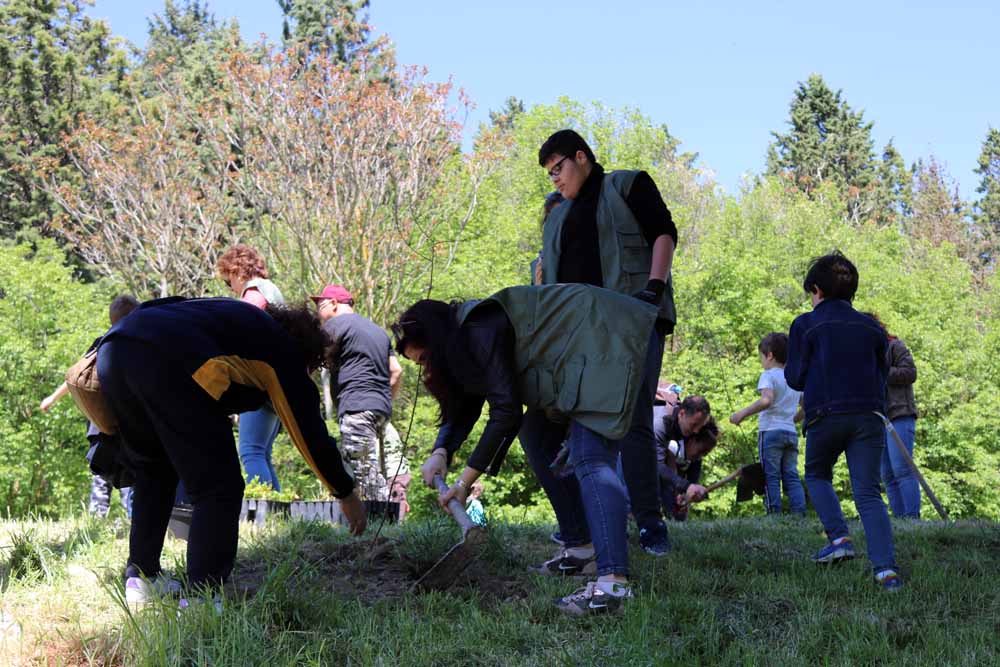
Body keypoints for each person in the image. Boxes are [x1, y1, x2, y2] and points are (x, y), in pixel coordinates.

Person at [393, 283, 658, 616]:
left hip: (606, 338)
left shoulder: (479, 329)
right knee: (536, 433)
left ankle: (614, 585)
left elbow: (505, 413)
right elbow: (468, 403)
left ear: (438, 340)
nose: (427, 369)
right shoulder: (464, 339)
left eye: (426, 358)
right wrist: (441, 450)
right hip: (582, 349)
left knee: (590, 454)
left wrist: (463, 483)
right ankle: (582, 549)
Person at [96, 297, 366, 607]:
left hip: (115, 349)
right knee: (219, 486)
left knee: (153, 473)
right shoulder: (281, 350)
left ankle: (142, 580)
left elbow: (157, 309)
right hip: (167, 358)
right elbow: (309, 433)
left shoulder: (233, 319)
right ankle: (202, 599)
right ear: (306, 352)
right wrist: (345, 493)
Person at [529, 129, 679, 556]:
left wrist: (654, 286)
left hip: (632, 318)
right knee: (570, 429)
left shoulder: (628, 184)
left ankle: (651, 526)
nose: (555, 178)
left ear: (582, 157)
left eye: (558, 168)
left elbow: (663, 233)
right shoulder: (557, 218)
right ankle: (585, 536)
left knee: (632, 422)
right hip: (578, 336)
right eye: (549, 173)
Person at [785, 251, 902, 591]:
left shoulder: (805, 324)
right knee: (868, 492)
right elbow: (882, 373)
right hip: (868, 416)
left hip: (825, 414)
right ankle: (886, 571)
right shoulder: (872, 328)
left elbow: (795, 378)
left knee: (817, 474)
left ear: (816, 289)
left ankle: (839, 539)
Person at [39, 294, 139, 517]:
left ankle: (105, 519)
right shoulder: (125, 344)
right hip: (121, 424)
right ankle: (124, 519)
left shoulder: (102, 343)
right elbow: (77, 376)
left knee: (108, 473)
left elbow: (75, 377)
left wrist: (52, 399)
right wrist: (52, 399)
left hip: (101, 424)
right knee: (126, 474)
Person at [312, 284, 410, 506]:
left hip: (356, 407)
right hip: (381, 409)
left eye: (320, 305)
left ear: (335, 304)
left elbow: (311, 360)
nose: (317, 311)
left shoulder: (334, 326)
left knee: (364, 473)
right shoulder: (378, 331)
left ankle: (375, 530)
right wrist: (382, 399)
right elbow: (396, 370)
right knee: (379, 469)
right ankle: (387, 524)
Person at [217, 244, 285, 490]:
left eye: (228, 282)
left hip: (258, 382)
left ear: (236, 271)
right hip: (277, 381)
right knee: (262, 453)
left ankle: (263, 512)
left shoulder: (256, 290)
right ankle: (277, 511)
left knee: (250, 452)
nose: (231, 288)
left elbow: (241, 325)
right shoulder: (273, 290)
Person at [730, 333, 807, 516]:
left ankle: (774, 514)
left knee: (771, 476)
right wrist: (791, 420)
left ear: (769, 355)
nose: (761, 361)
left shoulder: (768, 375)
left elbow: (766, 400)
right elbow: (806, 408)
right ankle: (799, 514)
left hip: (770, 432)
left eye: (761, 357)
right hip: (790, 434)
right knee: (791, 475)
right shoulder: (794, 378)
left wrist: (741, 414)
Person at [864, 313, 921, 519]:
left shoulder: (894, 345)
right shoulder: (864, 356)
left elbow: (910, 373)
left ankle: (912, 518)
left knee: (902, 469)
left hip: (900, 414)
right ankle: (900, 521)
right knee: (887, 474)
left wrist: (881, 371)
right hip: (879, 419)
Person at [654, 396, 712, 519]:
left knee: (677, 511)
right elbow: (656, 466)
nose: (696, 431)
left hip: (664, 461)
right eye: (694, 425)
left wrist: (687, 493)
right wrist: (686, 486)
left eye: (700, 427)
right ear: (681, 413)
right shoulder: (659, 424)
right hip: (627, 450)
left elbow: (696, 460)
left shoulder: (689, 428)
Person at [658, 418, 719, 520]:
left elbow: (691, 484)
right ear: (692, 440)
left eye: (705, 454)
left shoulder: (696, 461)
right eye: (700, 451)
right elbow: (669, 476)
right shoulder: (673, 445)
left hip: (675, 485)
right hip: (661, 479)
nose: (700, 456)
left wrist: (686, 498)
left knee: (680, 515)